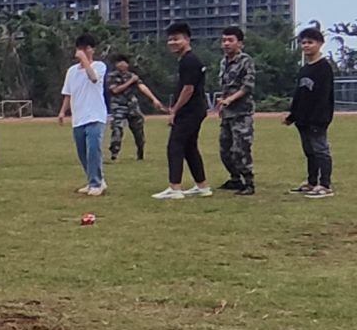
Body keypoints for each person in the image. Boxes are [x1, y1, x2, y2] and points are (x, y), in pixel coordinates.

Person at [153, 22, 213, 200]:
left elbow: (188, 89)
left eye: (176, 39)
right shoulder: (187, 60)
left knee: (175, 146)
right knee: (189, 147)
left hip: (190, 111)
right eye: (170, 40)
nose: (172, 43)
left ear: (187, 39)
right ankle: (202, 186)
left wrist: (175, 110)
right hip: (195, 109)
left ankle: (175, 188)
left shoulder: (189, 61)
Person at [285, 26, 337, 198]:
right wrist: (292, 115)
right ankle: (312, 182)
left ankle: (325, 185)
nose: (306, 45)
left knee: (321, 150)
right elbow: (299, 95)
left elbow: (324, 96)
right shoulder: (304, 69)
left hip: (317, 119)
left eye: (310, 42)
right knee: (310, 152)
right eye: (303, 42)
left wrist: (318, 118)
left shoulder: (324, 68)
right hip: (303, 120)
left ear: (320, 44)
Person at [58, 34, 109, 195]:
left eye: (87, 48)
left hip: (95, 115)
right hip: (78, 117)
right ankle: (95, 179)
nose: (83, 51)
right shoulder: (71, 71)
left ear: (92, 50)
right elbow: (68, 93)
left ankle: (96, 184)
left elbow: (93, 78)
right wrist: (62, 111)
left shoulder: (99, 66)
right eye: (80, 48)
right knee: (82, 153)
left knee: (93, 150)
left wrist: (85, 60)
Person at [215, 26, 257, 196]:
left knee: (240, 149)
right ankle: (235, 179)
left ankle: (249, 182)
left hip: (242, 113)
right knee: (225, 150)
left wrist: (230, 100)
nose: (226, 43)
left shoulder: (246, 61)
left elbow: (248, 86)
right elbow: (225, 86)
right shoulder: (223, 62)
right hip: (227, 113)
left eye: (230, 40)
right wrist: (222, 102)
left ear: (240, 43)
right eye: (224, 40)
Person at [106, 54, 161, 162]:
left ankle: (140, 152)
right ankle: (114, 153)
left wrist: (154, 99)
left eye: (124, 62)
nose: (122, 64)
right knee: (117, 129)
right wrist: (130, 81)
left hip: (132, 106)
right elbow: (115, 90)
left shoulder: (132, 75)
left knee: (138, 130)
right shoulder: (112, 76)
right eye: (119, 62)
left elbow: (142, 87)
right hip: (118, 106)